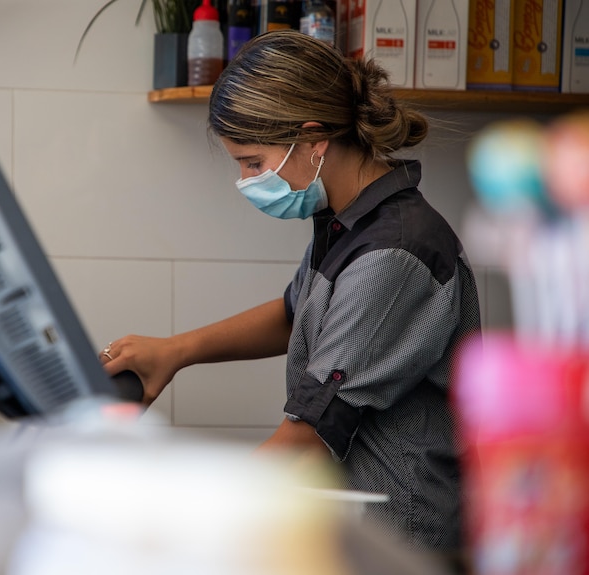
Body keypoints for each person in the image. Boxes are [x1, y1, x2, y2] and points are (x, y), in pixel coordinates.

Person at [100, 30, 481, 553]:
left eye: (253, 162)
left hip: (399, 537)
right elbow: (293, 313)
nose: (245, 180)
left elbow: (308, 434)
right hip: (350, 520)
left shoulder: (396, 251)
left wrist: (180, 519)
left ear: (313, 139)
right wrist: (175, 351)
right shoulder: (348, 221)